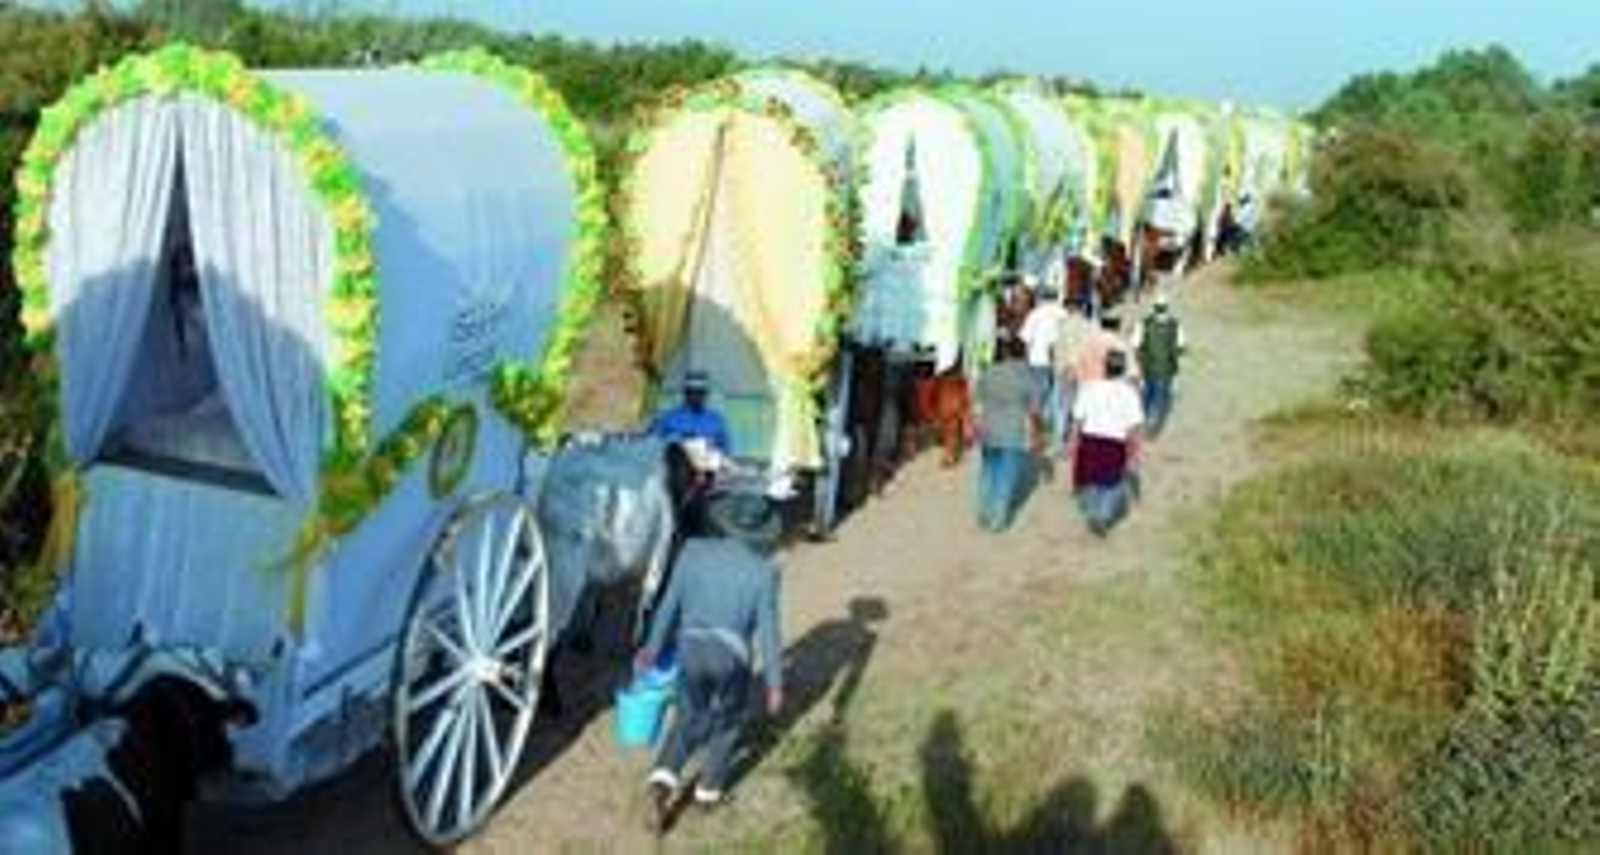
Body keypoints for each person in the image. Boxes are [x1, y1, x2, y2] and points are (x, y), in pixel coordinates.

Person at [639, 491, 784, 830]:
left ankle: (662, 781)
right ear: (760, 533)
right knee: (728, 722)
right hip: (731, 658)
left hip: (689, 648)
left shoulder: (692, 552)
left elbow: (668, 606)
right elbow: (768, 632)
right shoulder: (764, 572)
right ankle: (707, 792)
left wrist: (650, 647)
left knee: (687, 715)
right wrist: (774, 683)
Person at [1067, 349, 1145, 536]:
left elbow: (1077, 418)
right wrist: (1134, 450)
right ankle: (1102, 515)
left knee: (1090, 481)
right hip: (1115, 443)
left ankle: (1094, 512)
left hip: (1090, 440)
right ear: (1123, 369)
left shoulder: (1090, 387)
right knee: (1111, 483)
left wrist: (1073, 441)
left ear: (1105, 367)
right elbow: (1134, 426)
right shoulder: (1129, 393)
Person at [973, 335, 1044, 532]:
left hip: (988, 430)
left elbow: (977, 403)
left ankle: (983, 512)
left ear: (1005, 352)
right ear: (1023, 354)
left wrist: (975, 427)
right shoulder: (1028, 376)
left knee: (987, 473)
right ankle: (998, 519)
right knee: (1006, 477)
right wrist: (1039, 434)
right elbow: (1035, 410)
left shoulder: (989, 372)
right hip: (1012, 433)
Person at [1018, 287, 1071, 454]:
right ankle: (1056, 436)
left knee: (1037, 398)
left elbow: (1026, 339)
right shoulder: (1063, 314)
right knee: (1056, 398)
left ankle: (1036, 435)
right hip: (1058, 360)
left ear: (1042, 297)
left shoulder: (1035, 313)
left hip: (1037, 360)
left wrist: (1025, 360)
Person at [649, 370, 732, 470]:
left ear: (706, 394)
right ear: (685, 393)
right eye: (692, 392)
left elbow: (725, 449)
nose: (696, 397)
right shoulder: (670, 417)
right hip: (676, 471)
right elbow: (653, 442)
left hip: (707, 469)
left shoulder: (715, 420)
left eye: (700, 393)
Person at [1131, 293, 1186, 437]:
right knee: (1161, 401)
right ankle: (1154, 429)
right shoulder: (1176, 324)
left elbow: (1135, 346)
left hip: (1147, 368)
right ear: (1167, 307)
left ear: (1154, 307)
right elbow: (1180, 348)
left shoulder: (1144, 323)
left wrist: (1138, 366)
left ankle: (1142, 427)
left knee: (1145, 399)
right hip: (1166, 370)